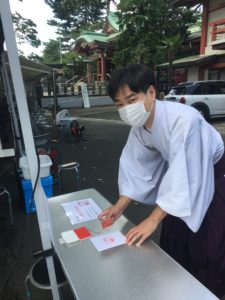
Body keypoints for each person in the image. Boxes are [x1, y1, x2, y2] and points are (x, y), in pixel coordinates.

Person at [99, 64, 225, 298]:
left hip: (211, 176)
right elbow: (136, 167)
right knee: (175, 242)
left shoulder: (185, 119)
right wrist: (120, 205)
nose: (127, 109)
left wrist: (152, 220)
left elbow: (187, 175)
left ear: (151, 93)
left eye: (131, 99)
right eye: (120, 104)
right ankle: (175, 289)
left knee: (208, 245)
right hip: (182, 177)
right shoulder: (140, 126)